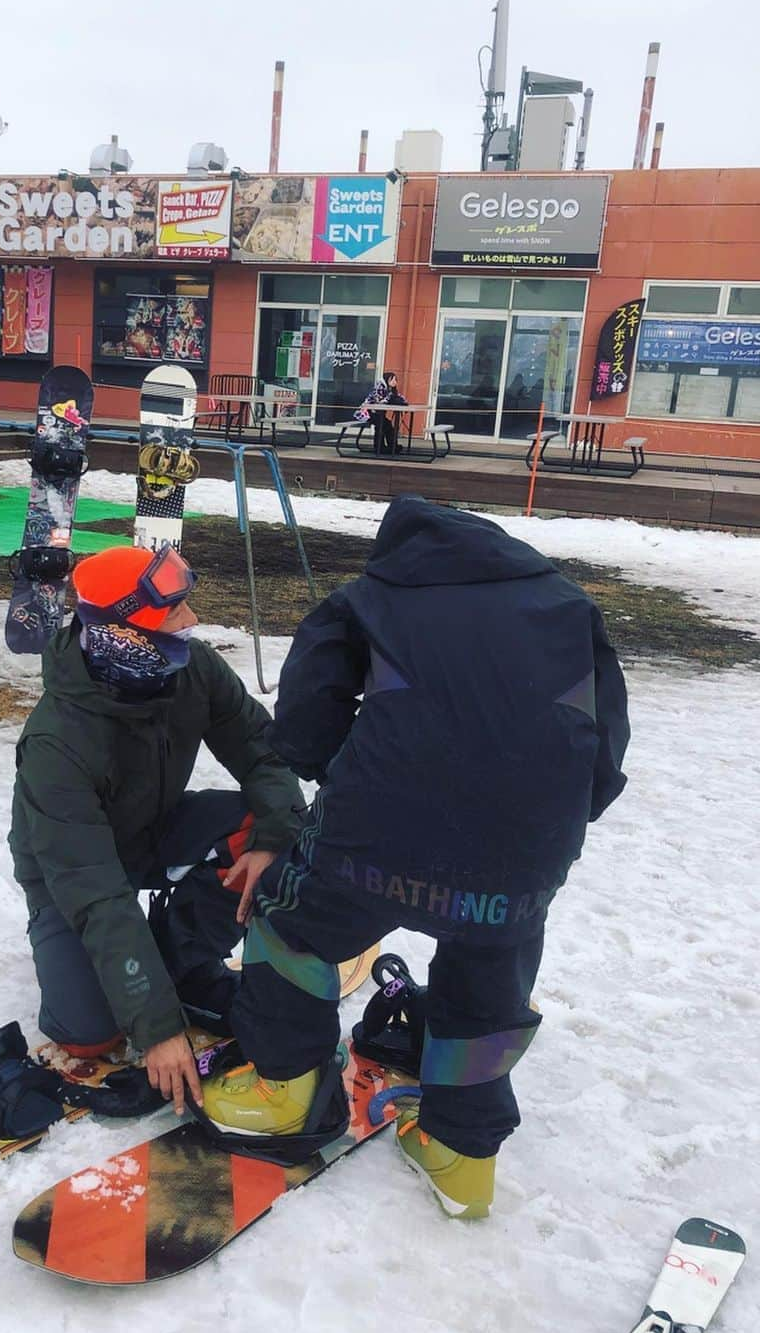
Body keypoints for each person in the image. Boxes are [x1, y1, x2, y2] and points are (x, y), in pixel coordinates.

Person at [199, 495, 630, 1218]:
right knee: (489, 974)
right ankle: (462, 1157)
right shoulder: (568, 606)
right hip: (524, 848)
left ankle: (284, 1091)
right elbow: (607, 741)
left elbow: (304, 726)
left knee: (289, 925)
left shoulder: (368, 598)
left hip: (379, 834)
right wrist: (542, 826)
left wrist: (354, 771)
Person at [8, 543, 305, 1116]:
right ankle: (107, 971)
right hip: (69, 880)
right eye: (173, 613)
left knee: (275, 828)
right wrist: (157, 1027)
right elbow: (93, 890)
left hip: (153, 829)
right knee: (91, 1034)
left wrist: (272, 839)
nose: (192, 620)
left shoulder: (191, 668)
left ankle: (183, 962)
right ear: (123, 635)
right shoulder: (57, 744)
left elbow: (265, 754)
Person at [355, 370, 408, 454]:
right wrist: (390, 397)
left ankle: (393, 446)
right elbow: (379, 401)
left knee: (388, 425)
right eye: (392, 380)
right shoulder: (379, 388)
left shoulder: (390, 389)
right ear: (387, 380)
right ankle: (379, 448)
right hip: (367, 413)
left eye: (395, 380)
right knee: (382, 425)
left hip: (378, 414)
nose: (395, 382)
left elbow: (400, 397)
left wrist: (401, 400)